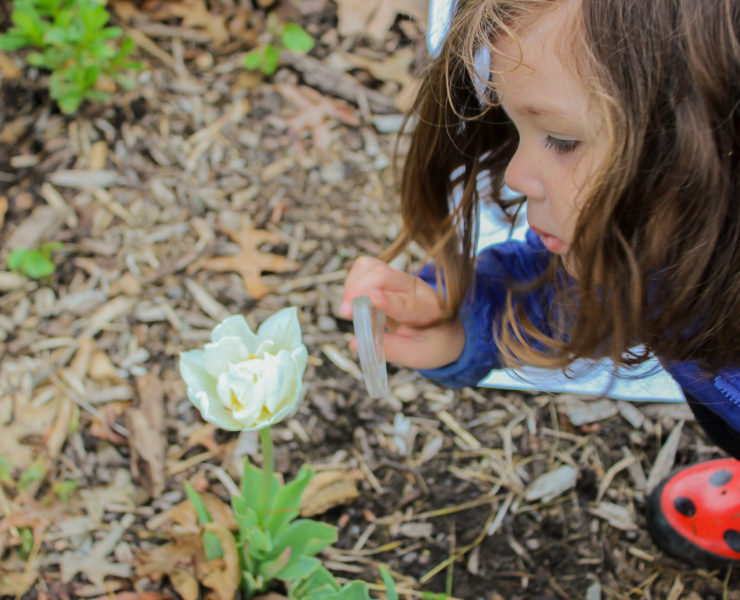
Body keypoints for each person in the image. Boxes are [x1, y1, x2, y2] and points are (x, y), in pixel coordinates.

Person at [340, 0, 740, 568]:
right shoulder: (649, 248)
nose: (515, 175)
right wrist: (456, 323)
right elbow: (567, 294)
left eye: (560, 139)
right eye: (516, 127)